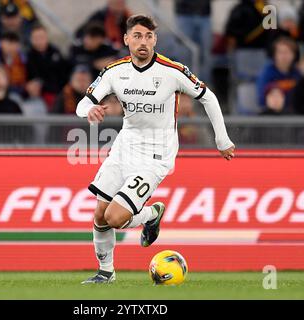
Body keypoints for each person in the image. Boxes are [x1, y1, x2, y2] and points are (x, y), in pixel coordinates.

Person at [76, 15, 235, 283]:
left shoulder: (172, 71)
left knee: (115, 217)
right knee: (100, 215)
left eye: (148, 37)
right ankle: (106, 273)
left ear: (155, 40)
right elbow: (83, 103)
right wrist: (89, 110)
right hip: (124, 148)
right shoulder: (115, 71)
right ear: (126, 39)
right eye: (137, 36)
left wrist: (222, 140)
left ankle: (151, 213)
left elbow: (208, 96)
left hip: (156, 156)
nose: (143, 42)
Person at [26, 24, 69, 110]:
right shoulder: (27, 56)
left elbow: (64, 73)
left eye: (41, 37)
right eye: (36, 38)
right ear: (31, 39)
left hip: (58, 92)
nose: (39, 41)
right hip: (39, 95)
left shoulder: (56, 52)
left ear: (47, 37)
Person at [256, 36, 300, 109]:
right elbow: (261, 98)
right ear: (274, 55)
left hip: (292, 113)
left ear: (294, 55)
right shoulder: (266, 73)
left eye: (287, 52)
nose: (284, 56)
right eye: (280, 52)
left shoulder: (297, 74)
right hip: (271, 113)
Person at [174, 0, 212, 83]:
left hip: (204, 14)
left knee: (204, 54)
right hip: (184, 14)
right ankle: (184, 84)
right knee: (184, 53)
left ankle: (202, 87)